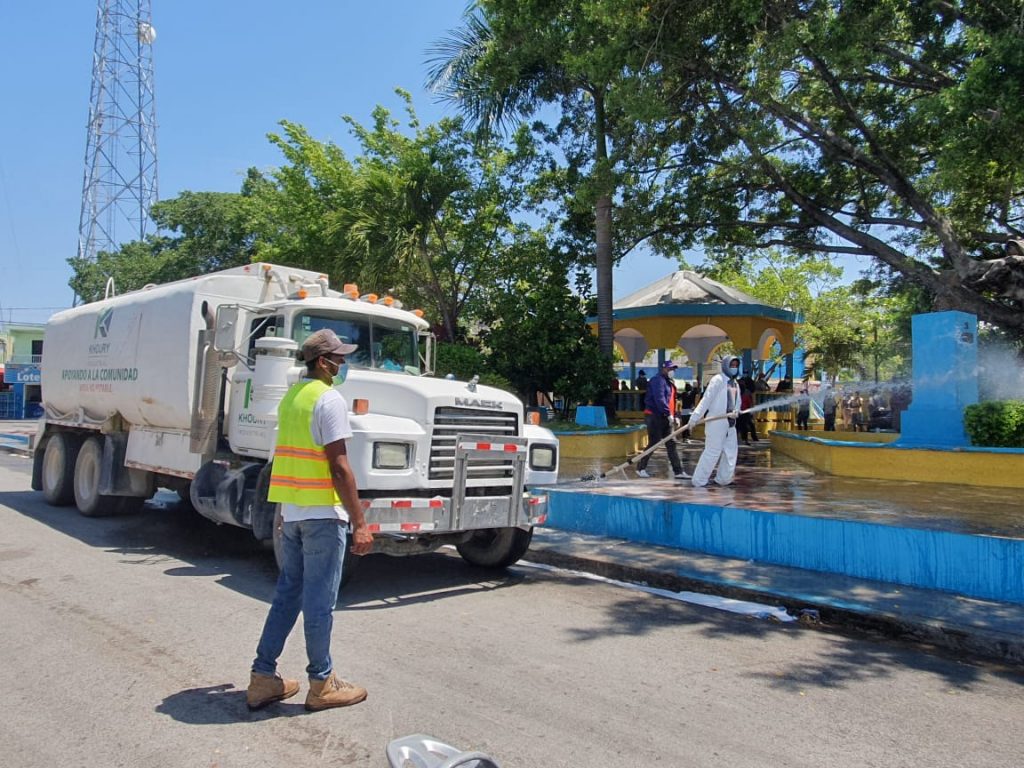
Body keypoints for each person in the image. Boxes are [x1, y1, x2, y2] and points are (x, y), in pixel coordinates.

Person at [246, 328, 375, 712]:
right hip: (322, 516)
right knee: (320, 602)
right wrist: (360, 522)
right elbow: (339, 466)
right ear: (323, 362)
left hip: (294, 514)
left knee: (287, 594)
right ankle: (322, 682)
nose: (343, 364)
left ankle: (262, 677)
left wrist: (285, 514)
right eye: (339, 358)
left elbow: (286, 459)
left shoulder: (291, 399)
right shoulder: (328, 399)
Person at [690, 355, 742, 487]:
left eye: (736, 366)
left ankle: (724, 479)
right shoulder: (717, 380)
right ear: (725, 365)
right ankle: (699, 481)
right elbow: (706, 399)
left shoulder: (735, 383)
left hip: (731, 423)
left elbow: (737, 401)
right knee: (713, 452)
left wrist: (737, 410)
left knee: (730, 452)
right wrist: (695, 417)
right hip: (716, 422)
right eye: (732, 365)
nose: (734, 368)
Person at [636, 361, 689, 479]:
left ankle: (678, 471)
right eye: (670, 369)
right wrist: (667, 413)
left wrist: (675, 415)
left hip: (666, 417)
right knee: (654, 442)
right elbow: (659, 399)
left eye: (673, 369)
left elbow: (672, 401)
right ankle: (641, 468)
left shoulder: (670, 383)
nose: (672, 371)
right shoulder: (657, 380)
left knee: (671, 443)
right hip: (655, 416)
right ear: (664, 369)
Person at [736, 379, 759, 445]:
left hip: (741, 412)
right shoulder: (746, 392)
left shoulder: (738, 392)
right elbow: (750, 402)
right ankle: (745, 440)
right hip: (743, 412)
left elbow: (750, 402)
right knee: (744, 426)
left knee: (739, 426)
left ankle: (744, 439)